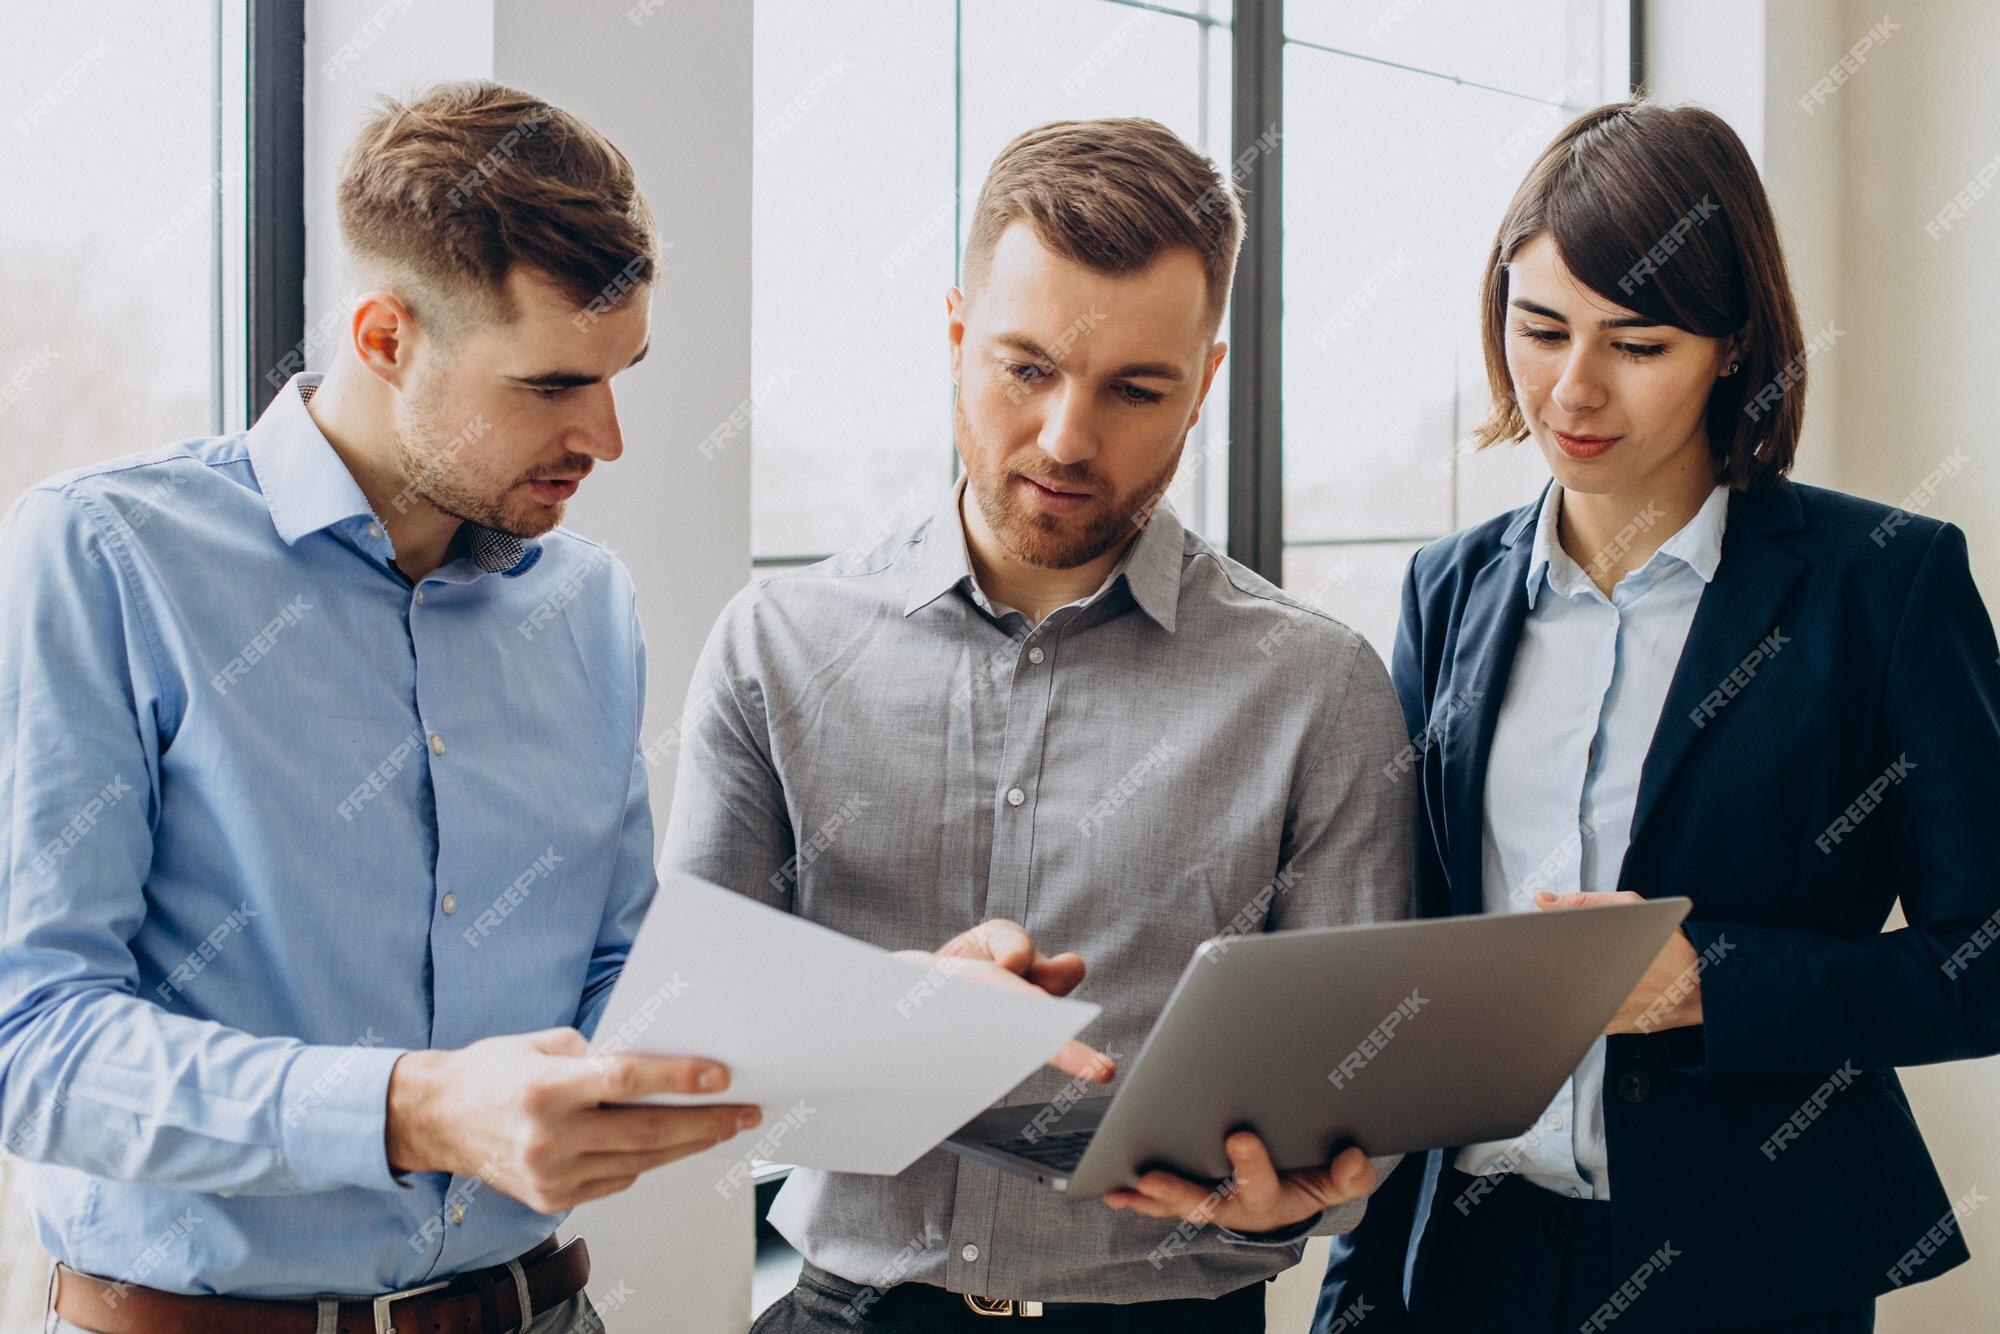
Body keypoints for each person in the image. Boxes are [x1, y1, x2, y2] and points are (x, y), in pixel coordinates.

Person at [0, 80, 1074, 1334]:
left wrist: (869, 1013)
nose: (606, 436)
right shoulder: (107, 556)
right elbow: (33, 1041)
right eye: (552, 384)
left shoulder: (582, 604)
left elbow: (615, 981)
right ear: (386, 336)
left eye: (619, 376)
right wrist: (412, 1107)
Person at [667, 116, 1413, 1334]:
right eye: (1025, 367)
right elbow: (688, 1040)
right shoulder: (775, 644)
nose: (1069, 438)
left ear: (1205, 382)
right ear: (955, 335)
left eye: (1134, 388)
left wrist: (1291, 1201)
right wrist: (886, 1023)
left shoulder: (1315, 687)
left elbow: (1346, 1103)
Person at [1314, 99, 2000, 1334]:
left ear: (1733, 347)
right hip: (1459, 1265)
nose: (1569, 390)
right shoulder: (1445, 586)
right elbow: (1408, 933)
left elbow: (1984, 956)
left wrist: (1710, 982)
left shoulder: (1884, 584)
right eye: (1538, 329)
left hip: (1744, 1266)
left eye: (1637, 344)